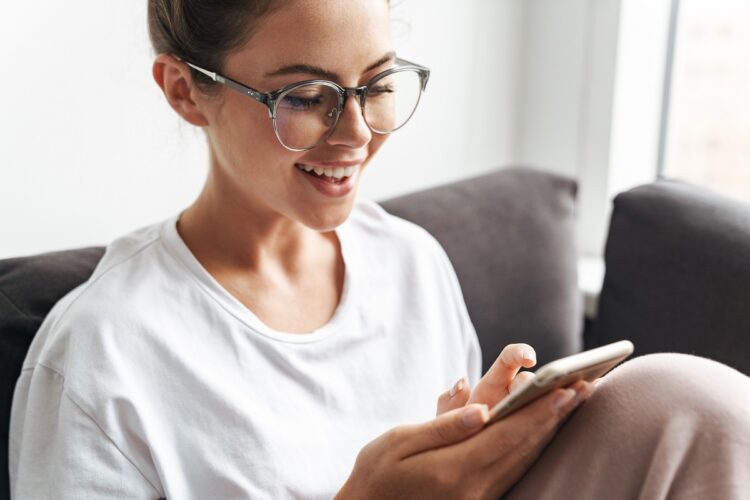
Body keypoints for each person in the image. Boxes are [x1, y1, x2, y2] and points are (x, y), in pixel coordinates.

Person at [9, 0, 750, 498]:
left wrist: (479, 448)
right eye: (305, 96)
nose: (358, 132)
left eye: (377, 84)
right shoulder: (101, 356)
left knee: (693, 404)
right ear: (183, 90)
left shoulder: (411, 264)